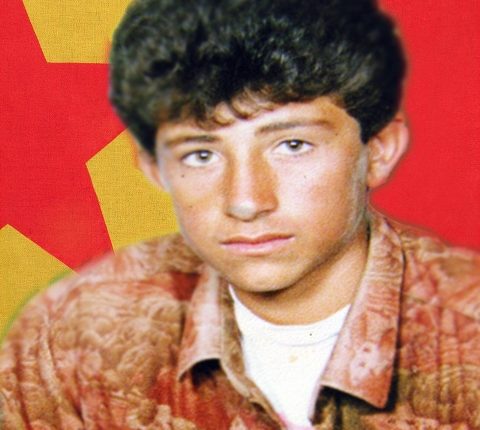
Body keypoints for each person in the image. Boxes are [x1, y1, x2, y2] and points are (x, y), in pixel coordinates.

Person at [1, 0, 479, 428]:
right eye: (201, 155)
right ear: (154, 168)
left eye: (293, 145)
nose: (246, 200)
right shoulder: (72, 334)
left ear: (378, 149)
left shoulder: (468, 331)